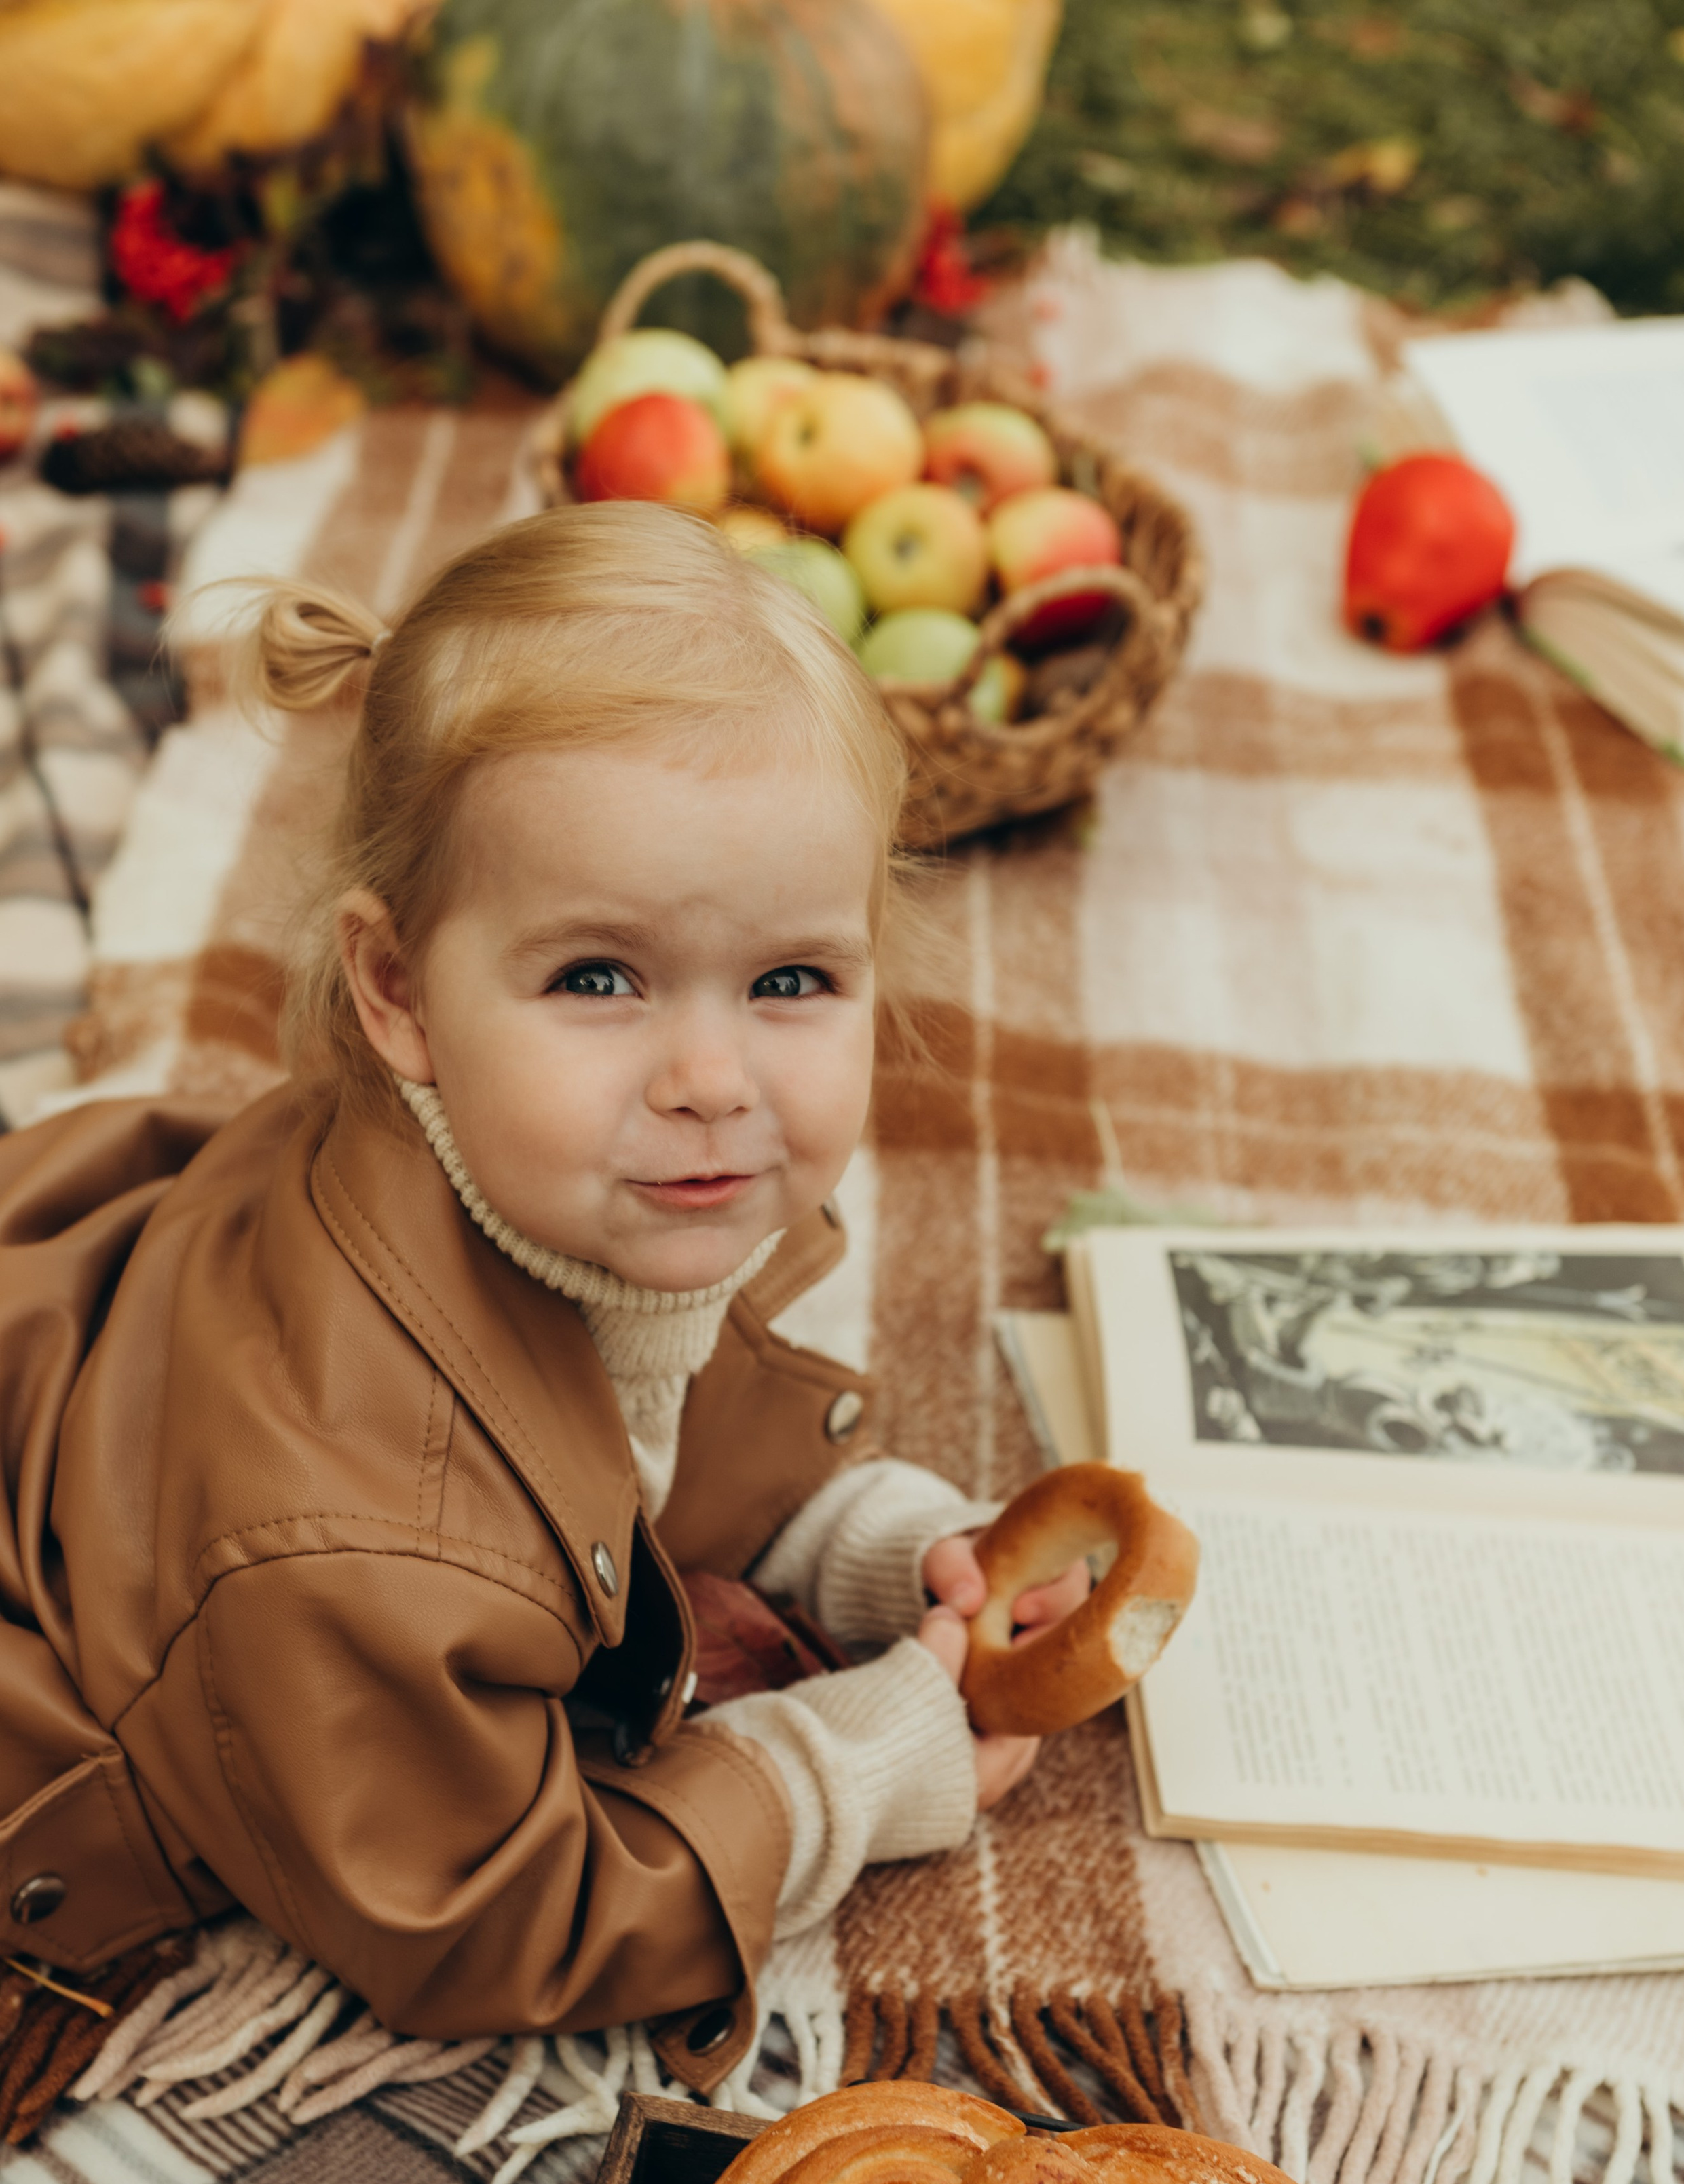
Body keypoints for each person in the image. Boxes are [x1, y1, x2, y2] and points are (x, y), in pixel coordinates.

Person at [0, 504, 1085, 2092]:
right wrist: (846, 1764)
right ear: (397, 991)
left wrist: (861, 1545)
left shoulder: (565, 1188)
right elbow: (478, 1917)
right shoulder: (357, 1523)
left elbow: (630, 1410)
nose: (711, 1081)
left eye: (790, 980)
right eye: (598, 978)